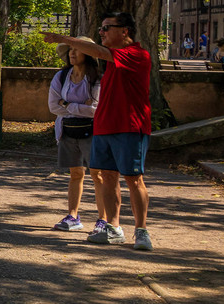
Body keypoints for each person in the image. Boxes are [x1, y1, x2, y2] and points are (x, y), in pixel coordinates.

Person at [42, 12, 154, 250]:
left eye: (106, 28)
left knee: (134, 179)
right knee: (108, 178)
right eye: (100, 29)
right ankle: (113, 228)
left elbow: (101, 53)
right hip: (103, 127)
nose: (101, 32)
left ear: (124, 31)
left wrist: (64, 38)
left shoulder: (137, 54)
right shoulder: (111, 62)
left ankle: (141, 231)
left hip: (130, 126)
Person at [48, 45, 102, 230]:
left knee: (98, 174)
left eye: (77, 49)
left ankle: (103, 219)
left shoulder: (97, 78)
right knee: (76, 173)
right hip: (68, 131)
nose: (72, 53)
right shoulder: (61, 77)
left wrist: (67, 104)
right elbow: (53, 107)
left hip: (93, 132)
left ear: (87, 53)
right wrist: (80, 106)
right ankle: (73, 216)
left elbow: (96, 110)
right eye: (70, 49)